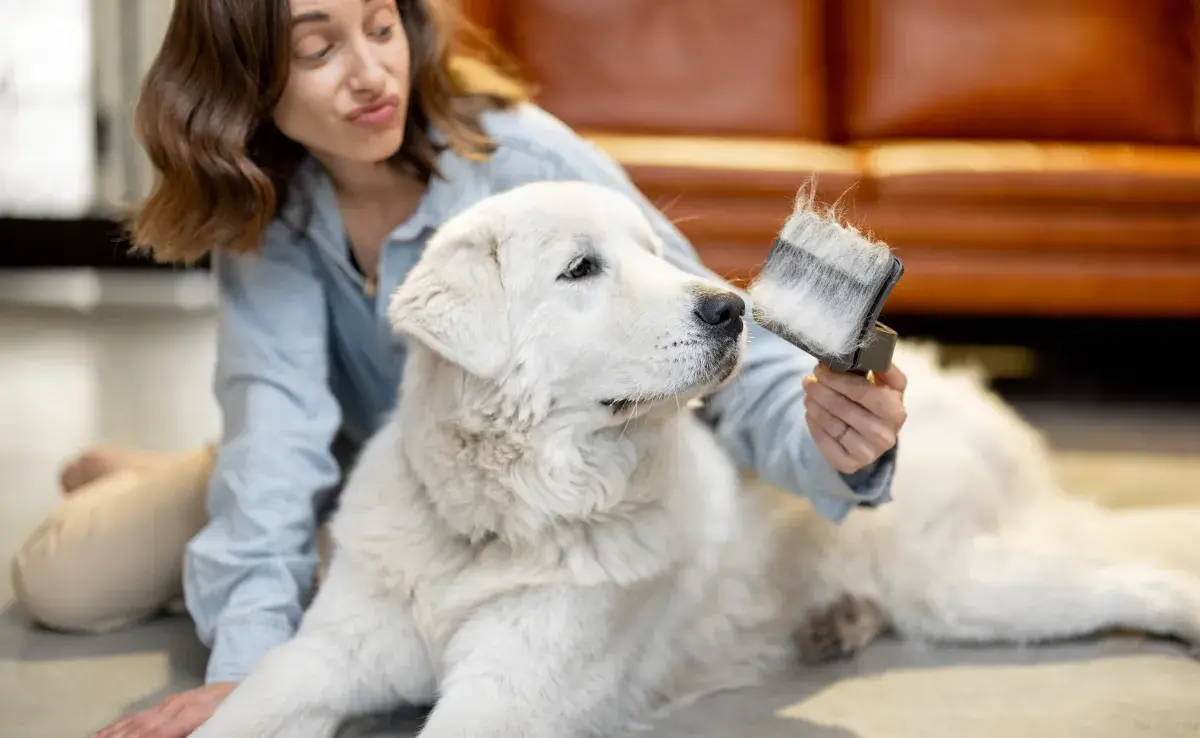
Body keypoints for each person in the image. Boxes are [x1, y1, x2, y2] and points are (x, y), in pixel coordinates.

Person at [9, 1, 909, 736]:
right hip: (352, 475)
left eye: (380, 26)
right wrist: (247, 679)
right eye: (318, 47)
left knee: (321, 565)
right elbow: (273, 441)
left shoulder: (532, 162)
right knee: (60, 585)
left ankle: (171, 489)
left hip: (465, 483)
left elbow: (704, 330)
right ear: (250, 82)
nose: (369, 72)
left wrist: (835, 445)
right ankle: (162, 479)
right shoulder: (268, 214)